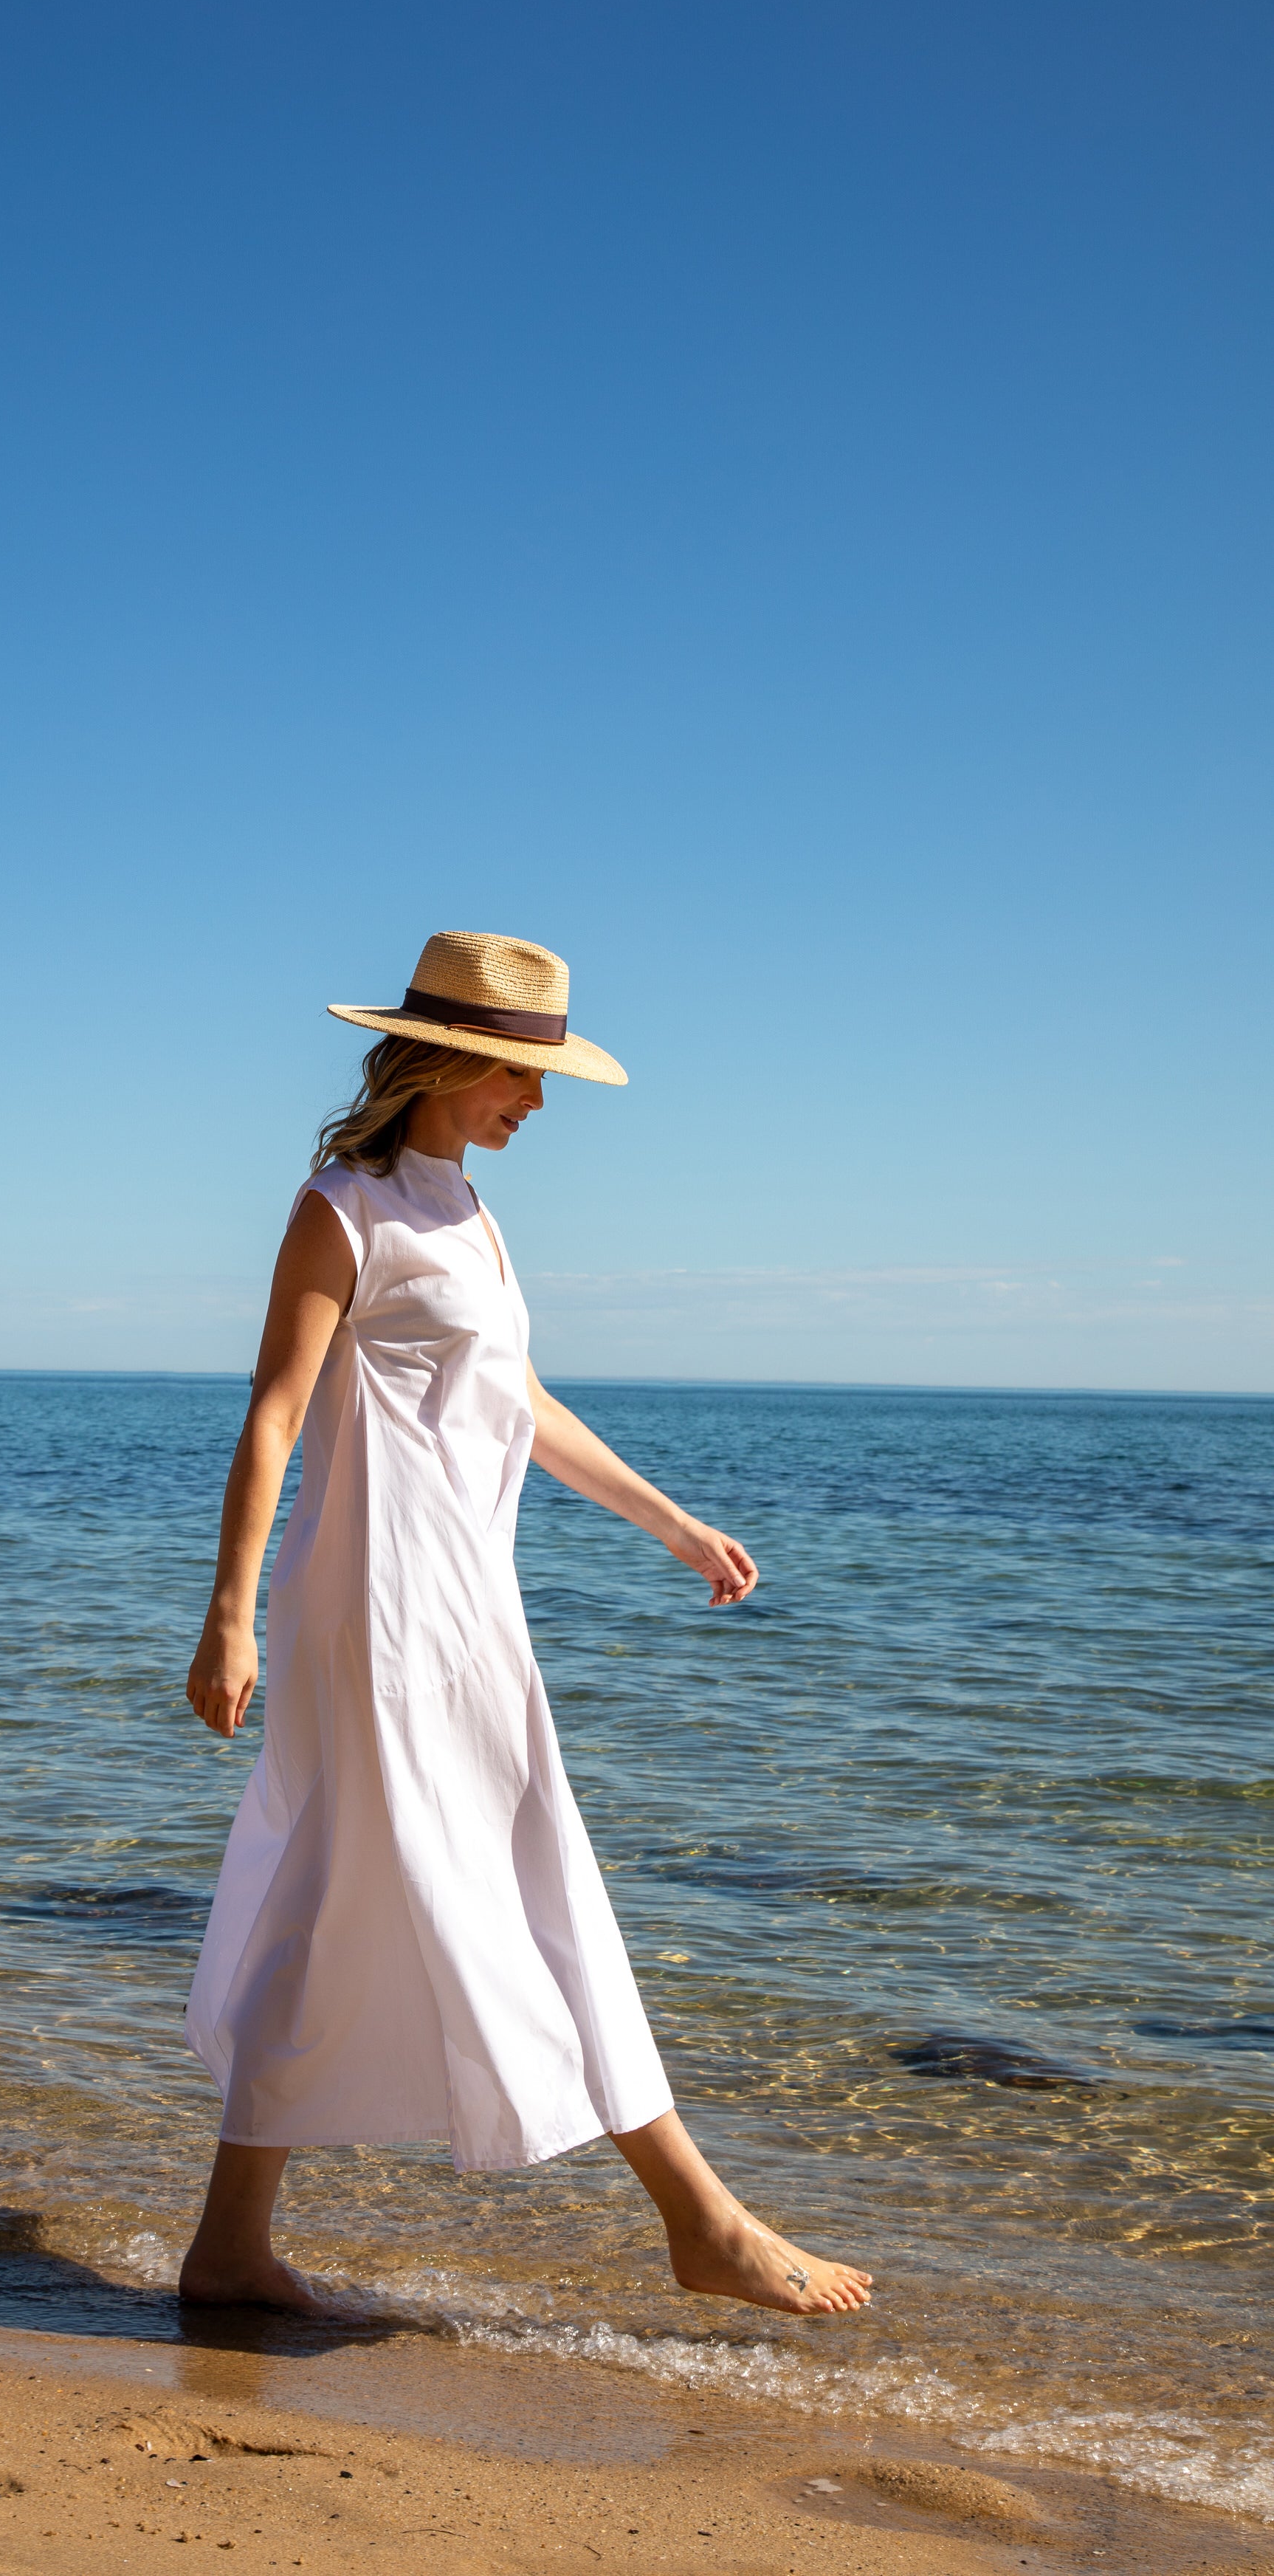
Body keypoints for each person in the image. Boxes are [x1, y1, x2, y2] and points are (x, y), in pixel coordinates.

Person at [180, 931, 871, 2319]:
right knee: (522, 1871)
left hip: (465, 1604)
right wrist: (230, 1615)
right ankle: (703, 2217)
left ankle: (230, 2246)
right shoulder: (344, 1208)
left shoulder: (475, 1215)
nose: (536, 1104)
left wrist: (671, 1522)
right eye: (520, 1074)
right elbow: (272, 1412)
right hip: (372, 1608)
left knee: (341, 1896)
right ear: (445, 1060)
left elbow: (522, 1402)